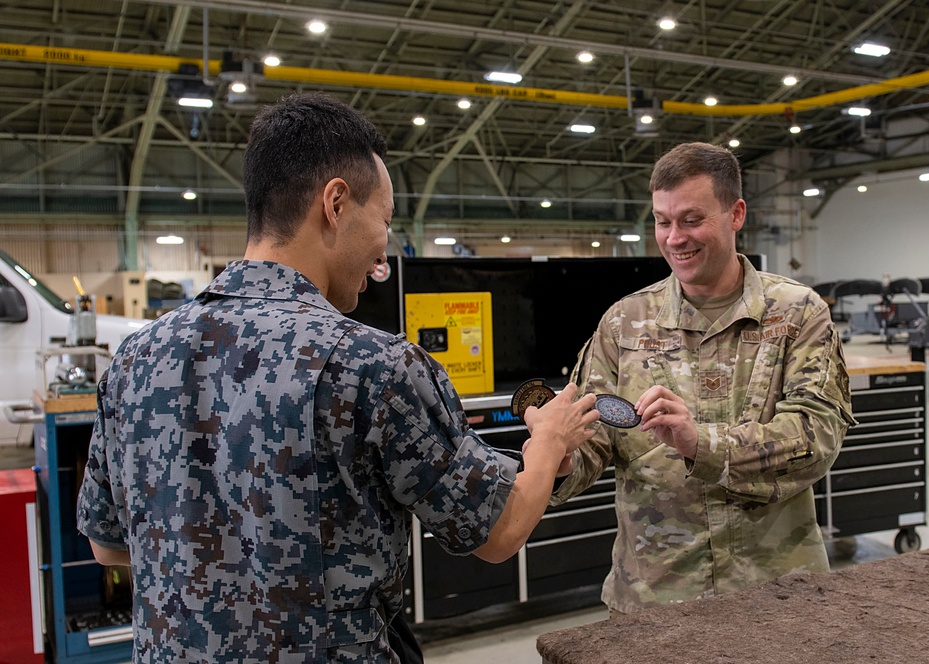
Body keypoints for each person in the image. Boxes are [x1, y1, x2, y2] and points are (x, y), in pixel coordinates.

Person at [76, 92, 599, 663]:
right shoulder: (374, 366)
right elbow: (499, 531)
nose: (383, 252)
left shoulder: (134, 360)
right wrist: (549, 440)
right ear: (336, 203)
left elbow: (108, 547)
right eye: (385, 219)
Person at [551, 141, 854, 613]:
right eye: (662, 221)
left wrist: (701, 444)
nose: (674, 238)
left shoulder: (796, 313)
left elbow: (816, 439)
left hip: (776, 596)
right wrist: (562, 456)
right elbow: (596, 440)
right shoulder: (623, 322)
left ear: (736, 214)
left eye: (692, 220)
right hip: (655, 599)